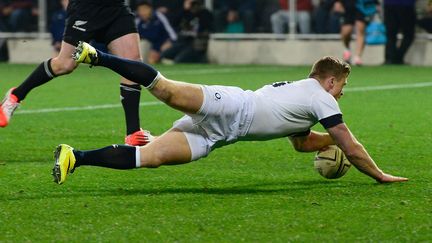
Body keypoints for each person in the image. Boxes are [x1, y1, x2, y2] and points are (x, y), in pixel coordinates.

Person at [51, 41, 408, 185]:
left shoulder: (306, 98)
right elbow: (352, 144)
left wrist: (328, 140)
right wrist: (380, 175)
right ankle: (96, 56)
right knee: (167, 89)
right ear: (331, 81)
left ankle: (75, 158)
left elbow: (301, 144)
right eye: (343, 84)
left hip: (220, 134)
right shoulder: (321, 98)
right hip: (232, 104)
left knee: (152, 156)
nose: (343, 92)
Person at [0, 0, 151, 146]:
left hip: (116, 8)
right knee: (65, 64)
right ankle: (15, 96)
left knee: (132, 64)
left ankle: (133, 133)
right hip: (86, 7)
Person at [337, 0, 380, 65]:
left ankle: (357, 57)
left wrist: (375, 3)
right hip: (348, 6)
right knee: (346, 32)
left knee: (361, 30)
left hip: (362, 7)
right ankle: (346, 49)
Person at [135, 0, 177, 64]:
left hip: (162, 45)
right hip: (149, 47)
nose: (142, 12)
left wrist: (158, 49)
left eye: (144, 9)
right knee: (143, 44)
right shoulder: (137, 21)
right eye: (140, 10)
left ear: (150, 9)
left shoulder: (159, 16)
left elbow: (173, 36)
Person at [383, 0, 416, 65]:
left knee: (390, 34)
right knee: (408, 34)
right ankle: (396, 58)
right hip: (406, 5)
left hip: (390, 4)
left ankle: (391, 58)